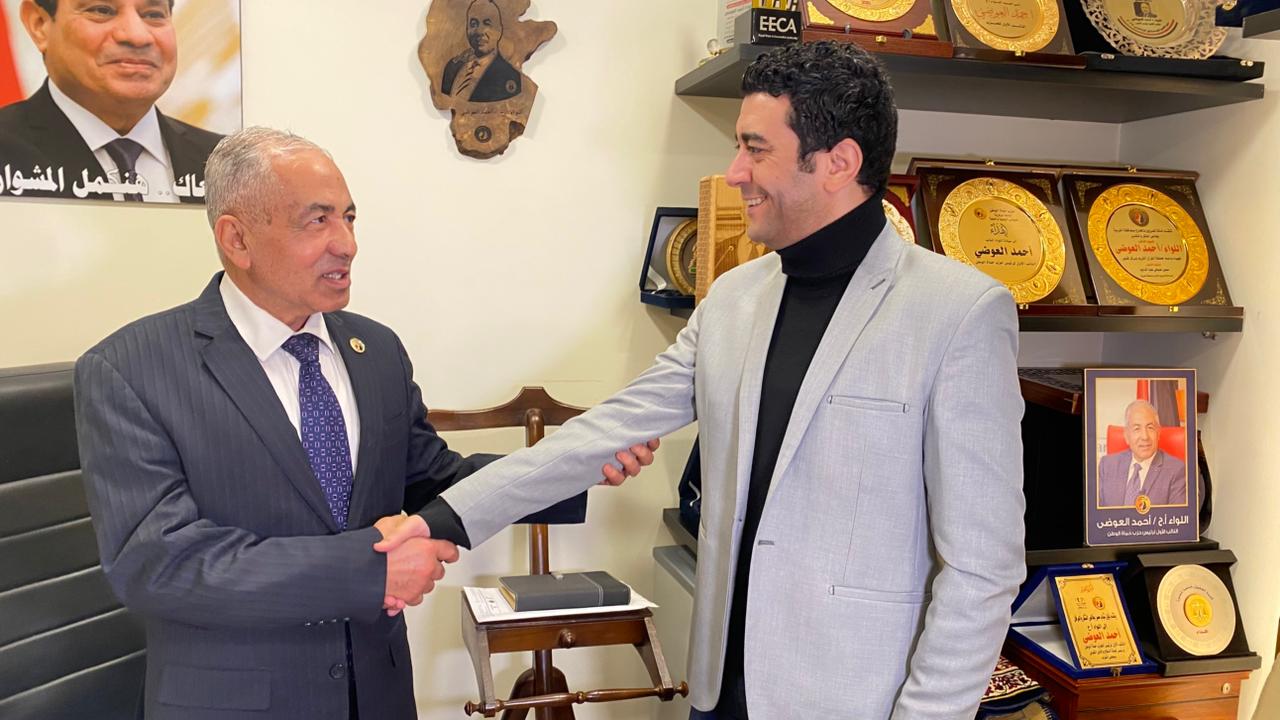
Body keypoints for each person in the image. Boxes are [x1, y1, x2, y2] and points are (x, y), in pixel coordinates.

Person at [379, 41, 1026, 719]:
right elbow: (608, 428)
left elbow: (983, 568)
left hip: (850, 699)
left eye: (755, 149)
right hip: (718, 692)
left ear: (839, 163)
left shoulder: (958, 314)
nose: (734, 172)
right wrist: (442, 518)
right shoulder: (733, 299)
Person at [74, 126, 656, 720]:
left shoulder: (375, 350)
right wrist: (370, 571)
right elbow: (158, 565)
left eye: (349, 218)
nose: (347, 244)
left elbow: (432, 479)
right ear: (237, 238)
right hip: (237, 705)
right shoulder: (130, 370)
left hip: (378, 694)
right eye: (317, 221)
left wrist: (570, 467)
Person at [0, 0, 220, 203]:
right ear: (40, 24)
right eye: (102, 11)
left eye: (153, 15)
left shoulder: (225, 163)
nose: (137, 36)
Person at [1099, 399, 1188, 507]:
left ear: (1158, 432)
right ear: (1126, 436)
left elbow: (1177, 516)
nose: (1145, 437)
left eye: (1150, 428)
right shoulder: (1106, 465)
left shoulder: (1177, 471)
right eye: (1137, 429)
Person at [440, 0, 522, 103]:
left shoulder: (510, 76)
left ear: (500, 30)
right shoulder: (452, 68)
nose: (479, 31)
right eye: (473, 24)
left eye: (487, 24)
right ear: (467, 29)